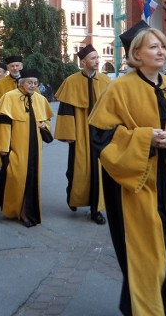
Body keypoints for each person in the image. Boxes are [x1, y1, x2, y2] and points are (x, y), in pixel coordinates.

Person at [88, 21, 166, 315]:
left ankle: (161, 306)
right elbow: (100, 136)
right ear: (136, 53)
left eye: (163, 45)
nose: (162, 51)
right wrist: (145, 138)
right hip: (134, 185)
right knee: (145, 254)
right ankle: (144, 308)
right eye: (154, 46)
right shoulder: (119, 89)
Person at [0, 68, 54, 227]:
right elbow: (1, 124)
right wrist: (2, 147)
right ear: (21, 83)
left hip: (35, 147)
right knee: (16, 177)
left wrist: (45, 125)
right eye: (29, 82)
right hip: (15, 146)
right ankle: (15, 209)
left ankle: (27, 212)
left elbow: (47, 121)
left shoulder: (39, 99)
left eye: (35, 83)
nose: (33, 85)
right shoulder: (9, 97)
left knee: (31, 177)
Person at [54, 44, 111, 224]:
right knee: (75, 169)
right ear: (84, 61)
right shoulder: (71, 81)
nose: (97, 61)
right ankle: (73, 195)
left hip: (100, 132)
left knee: (98, 170)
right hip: (79, 131)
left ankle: (96, 209)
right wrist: (69, 135)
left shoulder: (105, 81)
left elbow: (112, 109)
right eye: (93, 58)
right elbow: (65, 110)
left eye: (97, 57)